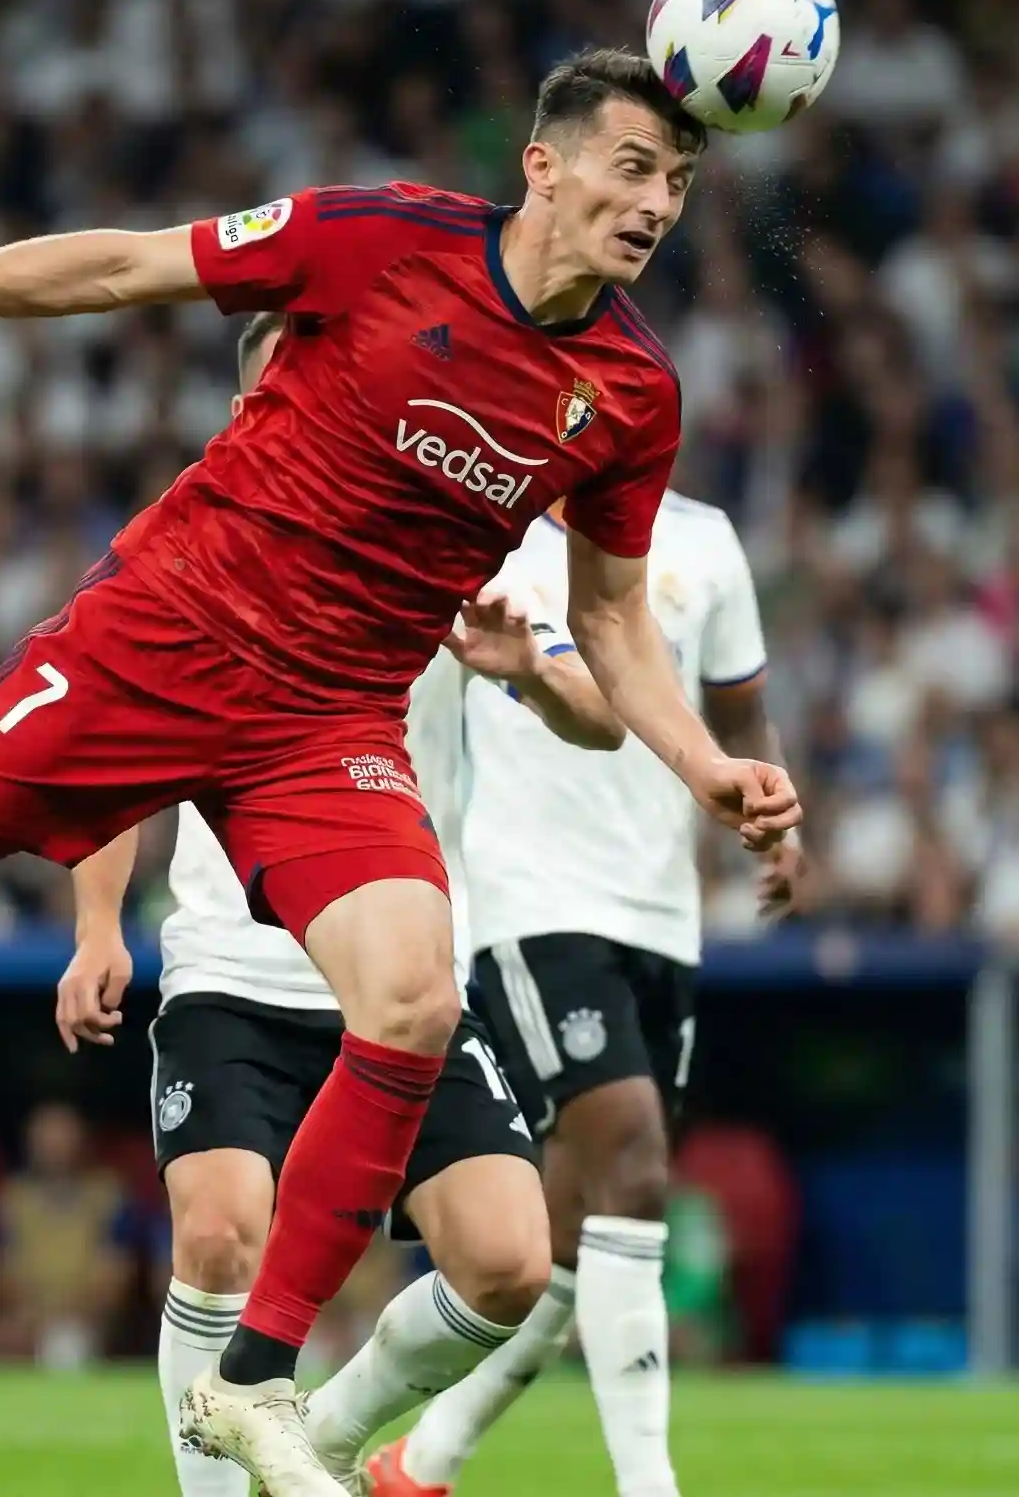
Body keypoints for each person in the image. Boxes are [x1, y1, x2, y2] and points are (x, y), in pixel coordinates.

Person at [0, 46, 800, 1495]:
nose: (657, 202)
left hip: (331, 717)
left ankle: (255, 1382)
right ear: (545, 165)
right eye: (634, 168)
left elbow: (613, 615)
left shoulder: (631, 387)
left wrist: (702, 759)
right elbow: (125, 265)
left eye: (682, 181)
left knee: (411, 993)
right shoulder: (380, 237)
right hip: (161, 636)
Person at [58, 310, 620, 1496]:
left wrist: (530, 670)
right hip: (233, 966)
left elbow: (602, 711)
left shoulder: (463, 531)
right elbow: (107, 747)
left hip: (402, 984)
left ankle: (323, 1433)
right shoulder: (194, 547)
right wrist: (98, 923)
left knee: (510, 1260)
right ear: (245, 408)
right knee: (217, 1233)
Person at [371, 489, 795, 1497]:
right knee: (637, 1168)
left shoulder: (707, 539)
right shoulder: (489, 530)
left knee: (570, 1242)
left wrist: (778, 812)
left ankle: (418, 1461)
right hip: (535, 904)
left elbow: (737, 708)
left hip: (663, 914)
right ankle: (649, 1483)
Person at [0, 1102, 135, 1369]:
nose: (55, 1148)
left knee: (64, 1343)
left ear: (81, 1142)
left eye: (63, 1139)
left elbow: (116, 1278)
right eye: (47, 1139)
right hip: (27, 1315)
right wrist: (25, 1318)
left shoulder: (109, 1195)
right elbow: (1, 1272)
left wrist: (69, 1315)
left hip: (82, 1318)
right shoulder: (14, 1197)